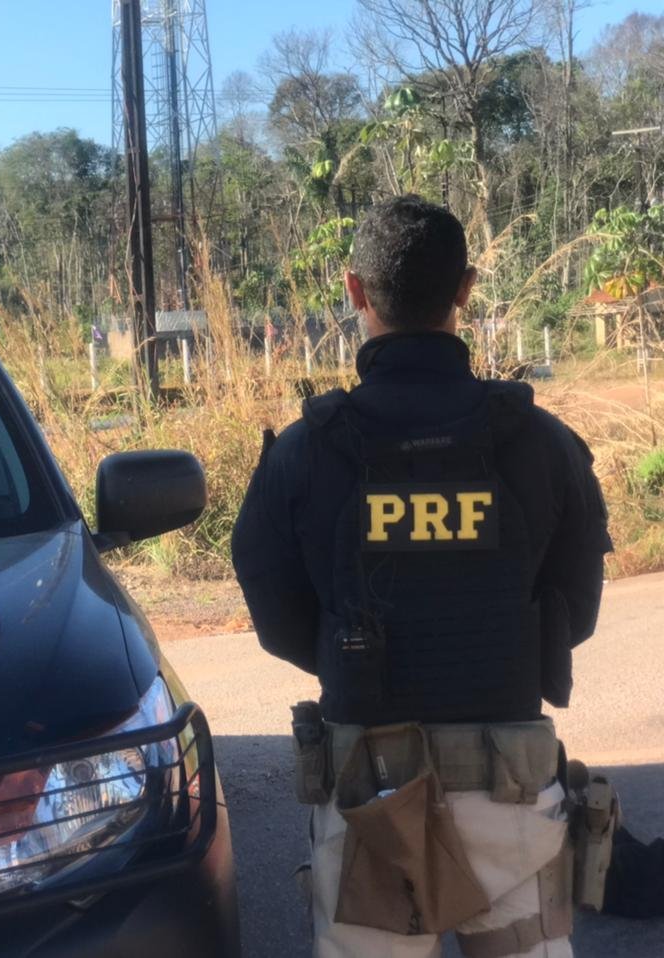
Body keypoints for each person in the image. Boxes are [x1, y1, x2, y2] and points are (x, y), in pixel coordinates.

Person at [232, 195, 613, 958]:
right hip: (512, 800)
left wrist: (356, 653)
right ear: (465, 290)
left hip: (368, 801)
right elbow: (575, 613)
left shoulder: (305, 453)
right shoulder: (544, 443)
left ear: (354, 291)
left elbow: (280, 623)